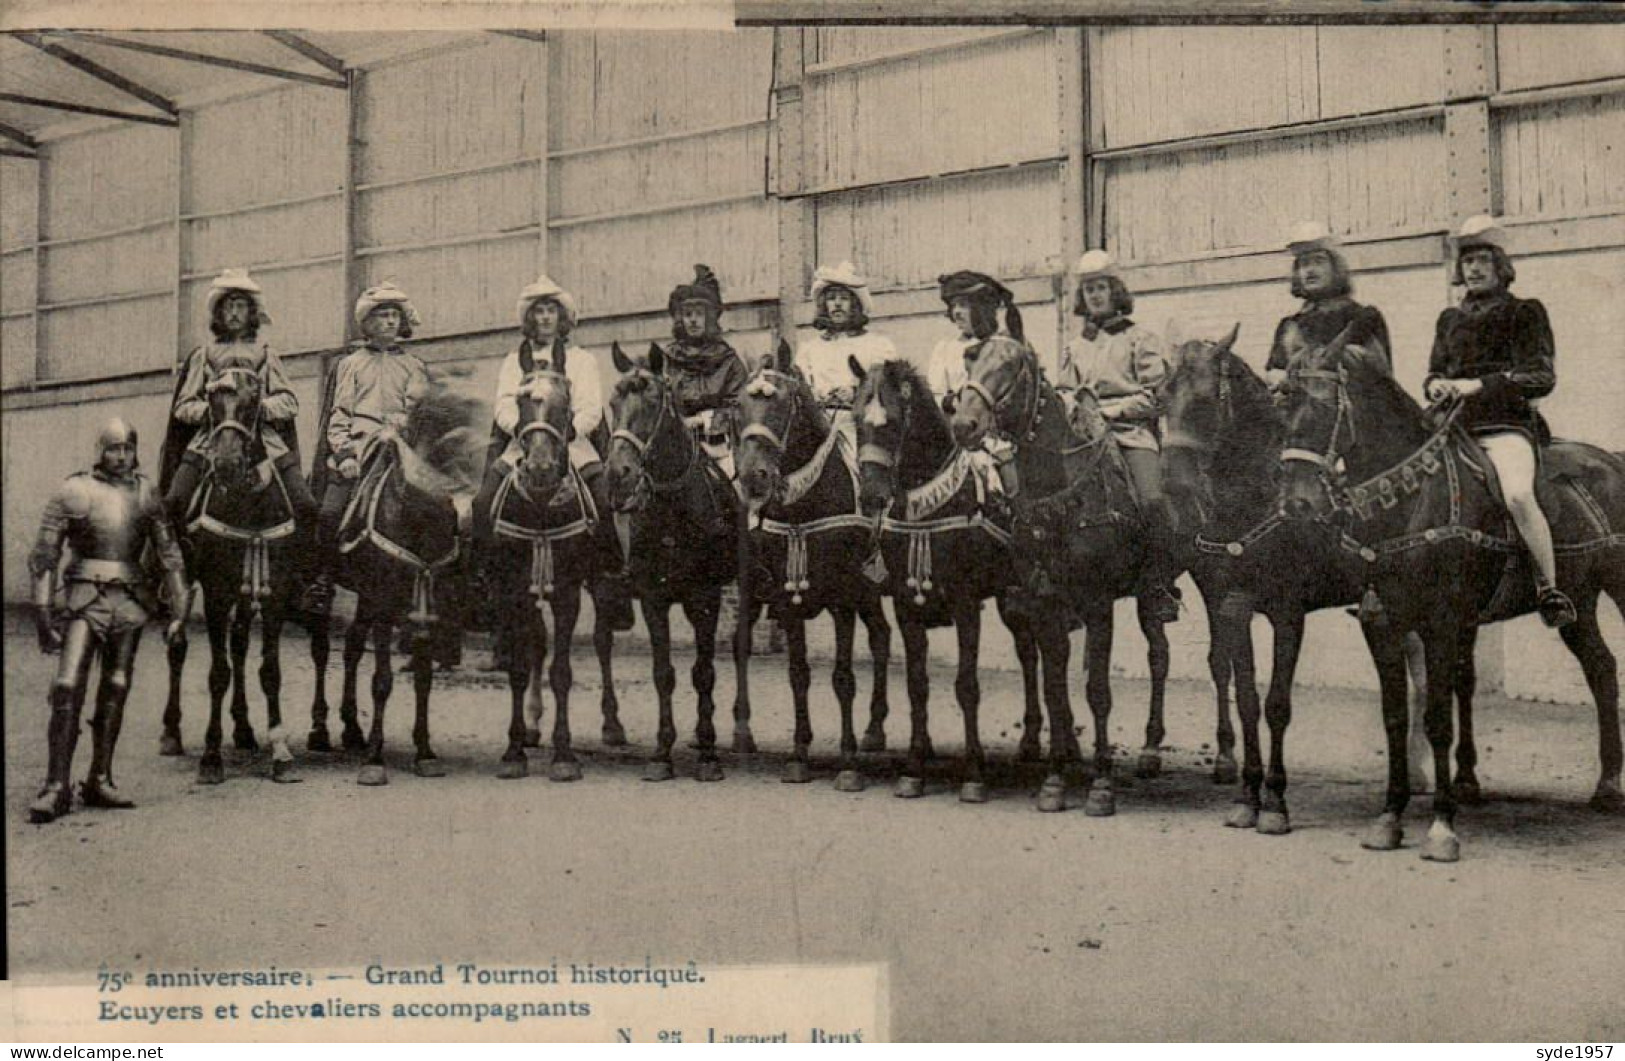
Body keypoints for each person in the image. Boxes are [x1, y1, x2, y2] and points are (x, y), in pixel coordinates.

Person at [28, 419, 189, 823]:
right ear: (100, 450)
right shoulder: (76, 490)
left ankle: (100, 777)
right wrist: (43, 612)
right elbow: (45, 556)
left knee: (116, 685)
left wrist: (180, 610)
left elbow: (169, 554)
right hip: (84, 595)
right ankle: (56, 785)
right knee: (67, 686)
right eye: (114, 449)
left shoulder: (146, 492)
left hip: (130, 599)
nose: (121, 457)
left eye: (128, 449)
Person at [1424, 215, 1576, 628]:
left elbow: (1540, 376)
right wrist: (1436, 384)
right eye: (1468, 260)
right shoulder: (1448, 319)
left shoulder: (1525, 312)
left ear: (1500, 265)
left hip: (1504, 427)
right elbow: (1434, 370)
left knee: (1518, 497)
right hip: (1450, 428)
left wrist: (1480, 384)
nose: (1473, 268)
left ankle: (1548, 586)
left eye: (1483, 260)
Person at [474, 275, 632, 632]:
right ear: (530, 318)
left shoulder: (581, 360)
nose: (545, 317)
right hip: (523, 445)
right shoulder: (513, 361)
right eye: (539, 311)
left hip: (571, 446)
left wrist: (567, 433)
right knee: (482, 504)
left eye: (551, 311)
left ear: (563, 318)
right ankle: (481, 583)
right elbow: (503, 405)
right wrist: (524, 432)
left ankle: (611, 584)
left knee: (603, 504)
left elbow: (591, 407)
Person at [1055, 250, 1181, 623]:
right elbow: (1063, 390)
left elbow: (1156, 395)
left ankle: (1160, 586)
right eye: (1089, 289)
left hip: (1130, 435)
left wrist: (1111, 412)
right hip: (1084, 437)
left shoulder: (1142, 339)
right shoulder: (1075, 347)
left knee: (1152, 500)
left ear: (1116, 291)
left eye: (1101, 287)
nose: (1095, 295)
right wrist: (1073, 407)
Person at [302, 282, 429, 614]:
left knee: (436, 508)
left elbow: (418, 408)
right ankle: (325, 578)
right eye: (381, 316)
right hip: (360, 445)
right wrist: (344, 454)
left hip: (402, 445)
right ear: (368, 324)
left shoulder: (414, 365)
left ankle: (430, 588)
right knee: (330, 511)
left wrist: (402, 426)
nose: (388, 322)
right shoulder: (351, 364)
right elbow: (339, 413)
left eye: (393, 316)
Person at [163, 269, 315, 526]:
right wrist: (212, 410)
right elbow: (183, 405)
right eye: (228, 307)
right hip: (210, 439)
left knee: (306, 505)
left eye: (241, 306)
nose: (234, 313)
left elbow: (289, 401)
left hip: (266, 440)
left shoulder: (267, 355)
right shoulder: (204, 355)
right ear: (219, 313)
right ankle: (170, 563)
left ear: (251, 313)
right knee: (174, 503)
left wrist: (260, 408)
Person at [1266, 222, 1392, 389]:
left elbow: (1380, 377)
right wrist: (1276, 376)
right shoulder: (1289, 326)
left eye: (1319, 261)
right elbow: (1275, 368)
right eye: (1304, 264)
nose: (1310, 270)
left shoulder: (1363, 319)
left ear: (1335, 268)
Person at [928, 270, 1020, 489]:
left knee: (1008, 467)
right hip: (954, 432)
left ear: (982, 308)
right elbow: (934, 394)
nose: (957, 312)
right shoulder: (945, 349)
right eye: (954, 306)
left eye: (964, 305)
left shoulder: (1001, 347)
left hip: (995, 433)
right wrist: (952, 402)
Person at [659, 264, 749, 466]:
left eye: (698, 314)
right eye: (688, 314)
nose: (693, 320)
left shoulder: (729, 361)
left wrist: (705, 420)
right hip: (675, 449)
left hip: (719, 448)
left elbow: (741, 408)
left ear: (708, 317)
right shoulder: (668, 360)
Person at [796, 262, 896, 413]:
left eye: (844, 298)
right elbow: (801, 387)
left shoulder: (878, 345)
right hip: (819, 423)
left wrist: (856, 392)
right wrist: (813, 396)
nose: (837, 304)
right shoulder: (809, 349)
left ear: (854, 305)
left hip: (861, 421)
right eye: (831, 298)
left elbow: (890, 387)